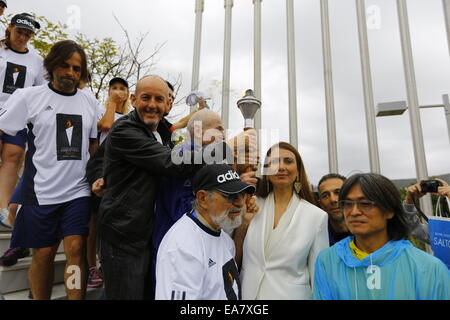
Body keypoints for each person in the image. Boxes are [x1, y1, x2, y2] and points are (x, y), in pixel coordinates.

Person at [0, 40, 101, 300]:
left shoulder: (89, 101)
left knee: (76, 249)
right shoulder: (28, 97)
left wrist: (100, 176)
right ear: (52, 65)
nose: (70, 73)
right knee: (43, 255)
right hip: (40, 192)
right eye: (65, 66)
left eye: (77, 69)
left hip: (77, 191)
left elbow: (93, 146)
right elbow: (4, 128)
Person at [96, 75, 206, 300]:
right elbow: (171, 162)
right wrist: (223, 152)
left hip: (149, 234)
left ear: (168, 104)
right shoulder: (124, 129)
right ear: (134, 99)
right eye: (146, 98)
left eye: (159, 99)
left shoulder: (165, 132)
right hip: (123, 236)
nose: (152, 105)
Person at [313, 173, 450, 300]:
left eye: (365, 204)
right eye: (347, 204)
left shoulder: (429, 268)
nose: (354, 212)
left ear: (389, 210)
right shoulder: (327, 261)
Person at [238, 142, 329, 300]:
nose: (280, 167)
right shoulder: (249, 205)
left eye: (288, 161)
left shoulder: (316, 216)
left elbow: (319, 276)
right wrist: (243, 224)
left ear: (298, 170)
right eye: (273, 162)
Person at [155, 164, 256, 300]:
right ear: (203, 199)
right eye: (230, 195)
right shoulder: (182, 246)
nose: (239, 203)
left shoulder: (222, 236)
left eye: (242, 195)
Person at [85, 77, 130, 289]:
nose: (118, 91)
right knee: (94, 222)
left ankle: (106, 263)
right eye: (114, 88)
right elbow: (106, 126)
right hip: (101, 171)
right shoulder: (100, 112)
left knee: (110, 222)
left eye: (122, 88)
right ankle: (91, 266)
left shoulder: (131, 117)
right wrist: (112, 103)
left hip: (121, 176)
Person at [0, 13, 46, 220]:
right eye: (19, 32)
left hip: (18, 118)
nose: (22, 38)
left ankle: (3, 208)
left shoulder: (36, 61)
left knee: (13, 157)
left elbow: (41, 91)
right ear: (10, 28)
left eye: (27, 35)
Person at [317, 173, 351, 246]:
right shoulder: (317, 238)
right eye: (325, 196)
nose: (332, 199)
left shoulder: (369, 233)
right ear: (321, 204)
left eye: (338, 192)